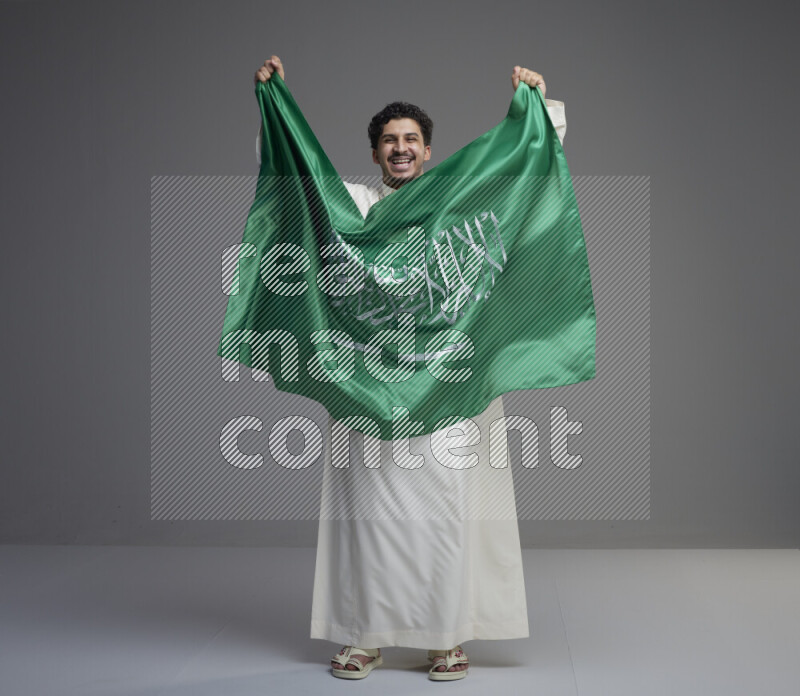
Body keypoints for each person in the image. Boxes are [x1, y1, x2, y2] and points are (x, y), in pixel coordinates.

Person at [253, 55, 567, 681]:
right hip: (369, 382)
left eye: (411, 141)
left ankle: (446, 638)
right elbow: (296, 184)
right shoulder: (355, 206)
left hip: (448, 382)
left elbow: (525, 169)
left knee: (448, 513)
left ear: (428, 151)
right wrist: (273, 108)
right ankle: (365, 636)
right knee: (370, 516)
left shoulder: (459, 200)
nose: (401, 149)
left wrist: (539, 105)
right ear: (375, 153)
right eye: (390, 141)